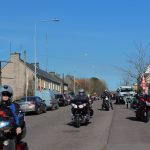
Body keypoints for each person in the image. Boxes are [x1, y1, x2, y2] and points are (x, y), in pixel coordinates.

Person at [0, 85, 22, 149]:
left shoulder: (13, 106)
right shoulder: (0, 105)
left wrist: (18, 126)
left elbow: (16, 117)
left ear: (10, 96)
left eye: (7, 95)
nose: (5, 96)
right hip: (1, 127)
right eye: (4, 94)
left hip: (10, 128)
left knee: (10, 141)